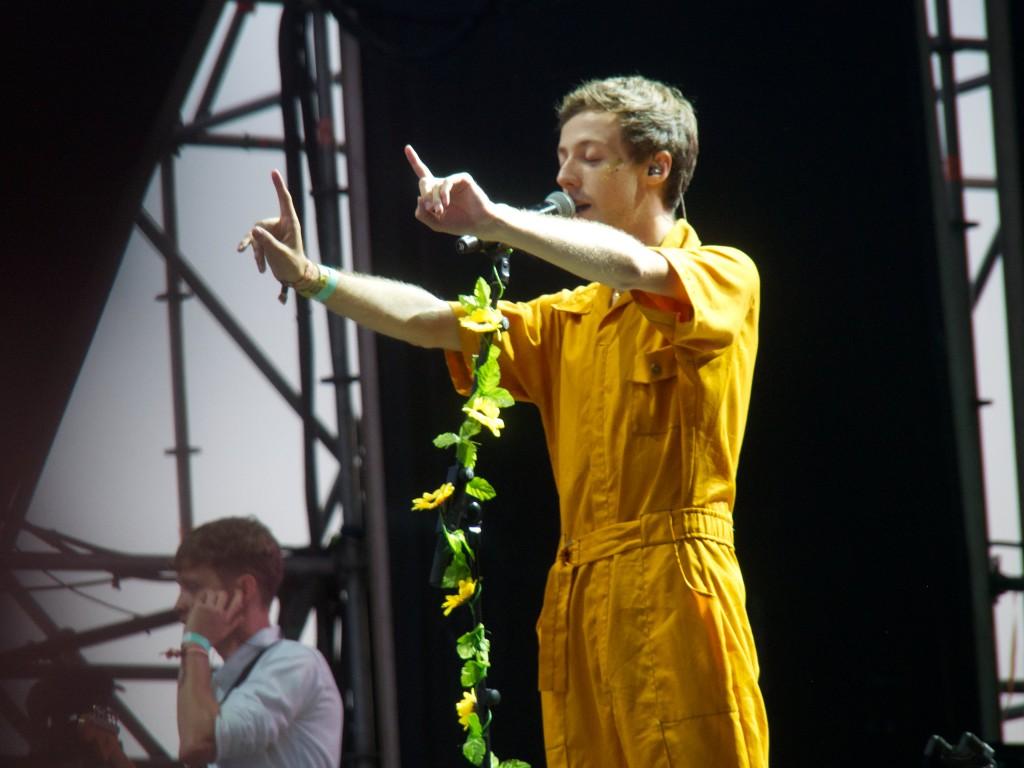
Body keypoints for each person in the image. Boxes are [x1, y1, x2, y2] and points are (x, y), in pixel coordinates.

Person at [239, 74, 768, 767]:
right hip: (582, 597)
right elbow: (435, 322)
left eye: (591, 157)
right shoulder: (569, 320)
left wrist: (496, 221)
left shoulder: (726, 273)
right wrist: (314, 277)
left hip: (676, 584)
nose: (565, 175)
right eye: (562, 156)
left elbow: (641, 268)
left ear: (656, 168)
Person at [173, 516, 342, 768]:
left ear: (245, 588)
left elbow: (198, 742)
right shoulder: (215, 687)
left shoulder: (294, 662)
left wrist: (195, 643)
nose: (179, 604)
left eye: (194, 587)